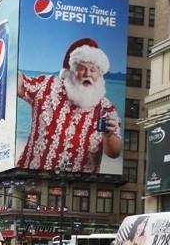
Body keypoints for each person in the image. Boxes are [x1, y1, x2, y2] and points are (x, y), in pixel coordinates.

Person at [16, 37, 122, 173]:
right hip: (32, 177)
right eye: (82, 68)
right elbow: (19, 83)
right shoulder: (48, 86)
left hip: (79, 186)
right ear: (71, 70)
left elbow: (114, 153)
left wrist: (109, 136)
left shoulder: (106, 108)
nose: (88, 74)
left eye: (93, 70)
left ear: (99, 75)